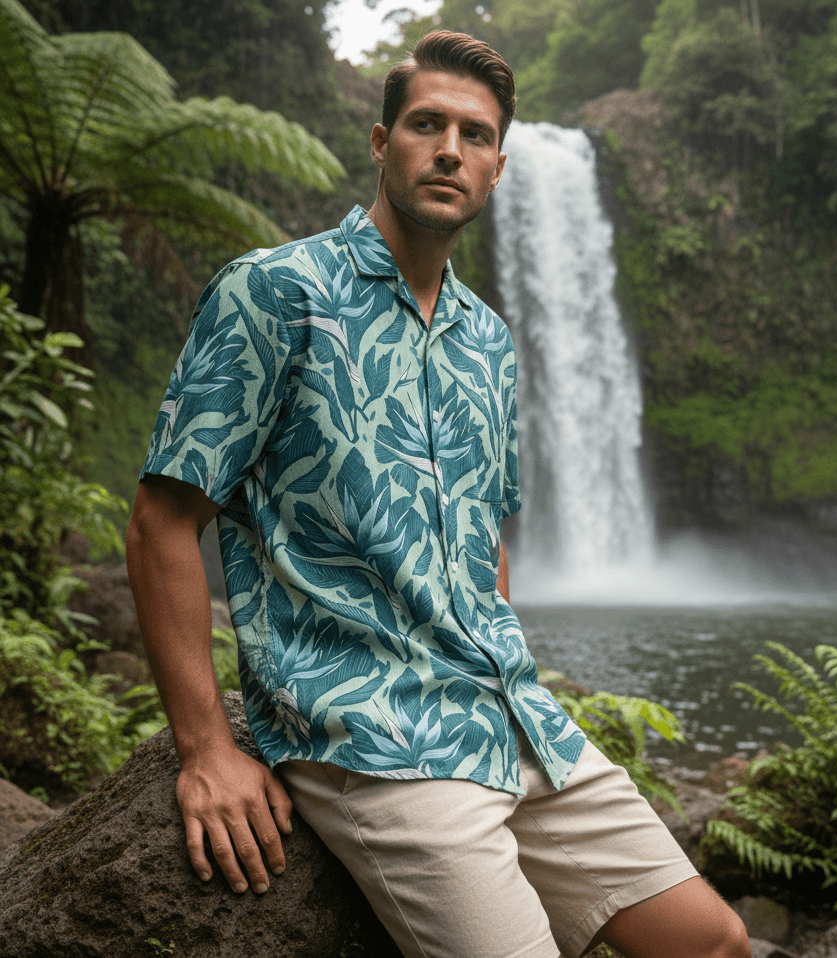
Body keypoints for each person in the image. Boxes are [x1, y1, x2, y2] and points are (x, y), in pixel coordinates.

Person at [126, 29, 750, 958]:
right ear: (383, 144)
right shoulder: (274, 292)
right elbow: (160, 523)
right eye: (427, 124)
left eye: (476, 133)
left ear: (499, 166)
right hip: (372, 738)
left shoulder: (487, 340)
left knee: (717, 943)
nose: (450, 148)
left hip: (508, 715)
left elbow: (484, 530)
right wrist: (207, 750)